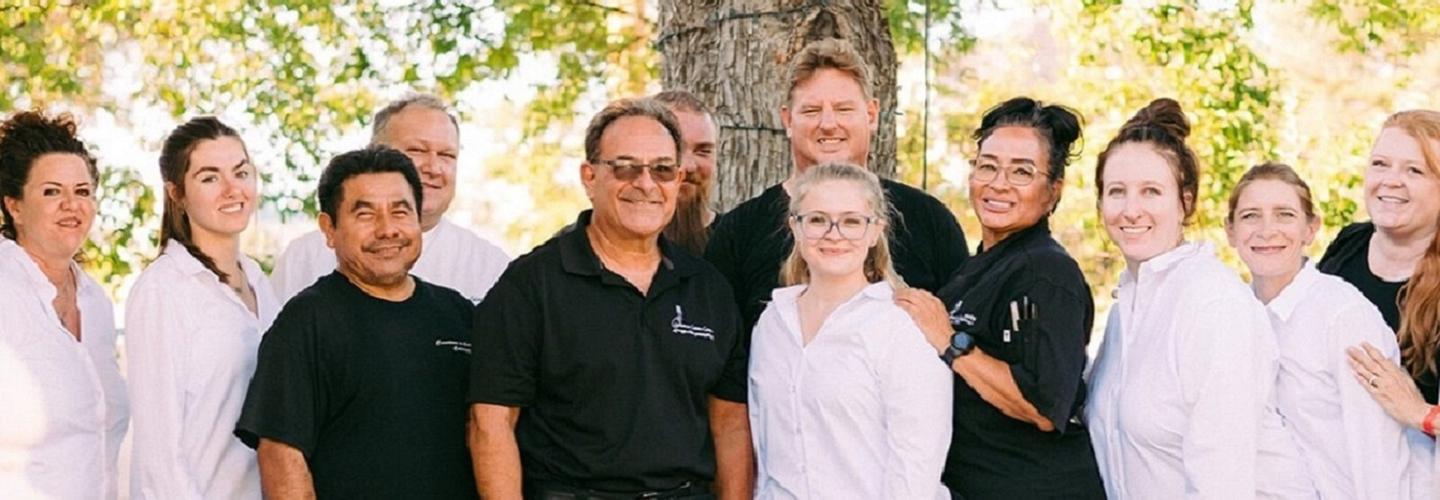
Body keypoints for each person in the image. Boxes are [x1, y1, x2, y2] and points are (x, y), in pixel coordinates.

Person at [468, 98, 751, 500]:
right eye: (626, 167)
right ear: (589, 177)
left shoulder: (708, 288)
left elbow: (730, 424)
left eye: (662, 169)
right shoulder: (531, 285)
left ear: (677, 179)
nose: (646, 184)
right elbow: (491, 422)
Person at [1085, 98, 1314, 498]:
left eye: (1151, 191)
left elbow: (1221, 483)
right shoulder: (1127, 308)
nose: (1131, 210)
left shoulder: (1213, 305)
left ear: (1185, 202)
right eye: (1117, 191)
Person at [234, 147, 478, 499]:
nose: (387, 229)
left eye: (400, 211)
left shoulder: (458, 314)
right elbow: (281, 457)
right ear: (329, 229)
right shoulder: (306, 323)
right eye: (365, 214)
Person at [894, 97, 1105, 499]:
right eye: (987, 166)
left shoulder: (1046, 273)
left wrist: (951, 343)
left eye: (1022, 171)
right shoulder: (979, 267)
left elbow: (1043, 406)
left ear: (1053, 191)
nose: (998, 183)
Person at [705, 38, 968, 339]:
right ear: (787, 120)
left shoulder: (929, 220)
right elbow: (719, 353)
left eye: (844, 109)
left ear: (872, 115)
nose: (828, 124)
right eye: (811, 111)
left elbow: (959, 338)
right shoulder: (739, 233)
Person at [750, 163, 952, 499]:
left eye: (851, 221)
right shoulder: (772, 322)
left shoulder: (900, 328)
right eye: (817, 219)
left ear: (875, 232)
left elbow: (916, 466)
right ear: (795, 227)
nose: (834, 234)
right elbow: (764, 448)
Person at [1226, 162, 1412, 499]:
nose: (1267, 230)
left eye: (1284, 215)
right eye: (1251, 216)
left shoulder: (1343, 316)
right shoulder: (1237, 316)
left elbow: (1380, 452)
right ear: (1230, 231)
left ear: (1310, 229)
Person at [124, 117, 279, 499]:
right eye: (210, 178)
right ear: (176, 193)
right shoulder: (163, 290)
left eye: (241, 172)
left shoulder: (260, 283)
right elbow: (159, 454)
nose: (232, 189)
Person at [271, 93, 509, 303]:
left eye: (447, 155)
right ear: (374, 153)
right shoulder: (303, 258)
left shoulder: (490, 266)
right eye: (417, 150)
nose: (434, 168)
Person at [0, 109, 128, 499]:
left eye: (82, 191)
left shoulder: (97, 303)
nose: (72, 205)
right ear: (14, 206)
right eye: (52, 191)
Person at [1322, 110, 1440, 496]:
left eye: (1414, 170)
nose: (1391, 180)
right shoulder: (1348, 245)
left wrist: (1422, 414)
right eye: (1380, 164)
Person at [655, 89, 720, 255]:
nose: (689, 166)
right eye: (676, 148)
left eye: (703, 151)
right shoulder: (607, 246)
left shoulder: (741, 244)